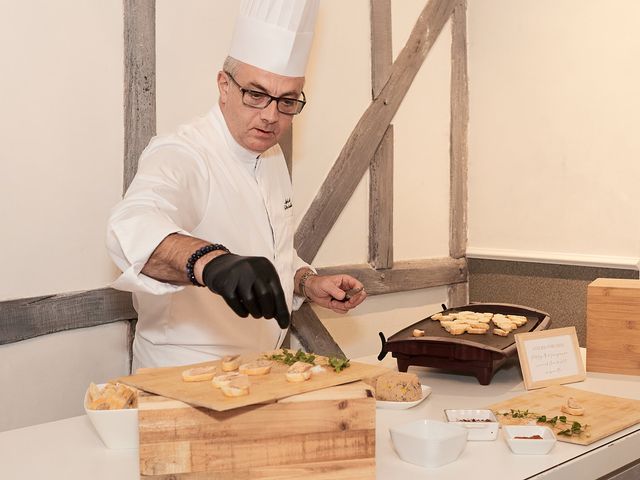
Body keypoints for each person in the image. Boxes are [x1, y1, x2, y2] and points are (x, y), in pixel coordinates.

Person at [106, 0, 366, 369]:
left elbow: (269, 252)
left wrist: (305, 281)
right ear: (224, 85)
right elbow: (130, 228)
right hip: (183, 376)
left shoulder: (271, 157)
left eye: (288, 101)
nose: (270, 116)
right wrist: (211, 262)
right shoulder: (183, 152)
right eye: (256, 95)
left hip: (260, 371)